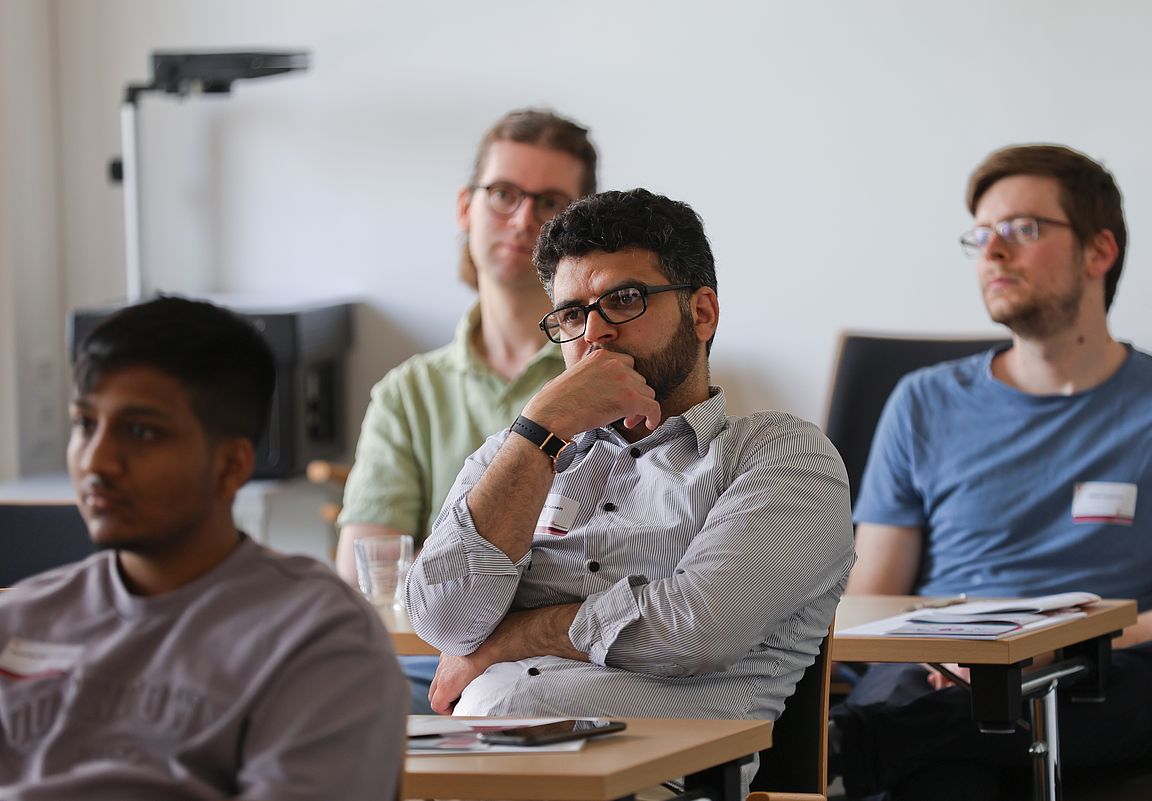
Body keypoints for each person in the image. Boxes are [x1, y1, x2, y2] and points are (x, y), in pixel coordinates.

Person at [405, 188, 854, 745]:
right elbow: (442, 619)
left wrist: (508, 640)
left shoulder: (782, 456)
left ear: (702, 313)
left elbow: (695, 631)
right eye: (572, 315)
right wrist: (539, 429)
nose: (594, 335)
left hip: (655, 777)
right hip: (472, 764)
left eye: (624, 300)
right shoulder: (521, 451)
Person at [837, 144, 1152, 800]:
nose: (993, 252)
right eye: (981, 234)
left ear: (1099, 251)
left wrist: (1048, 646)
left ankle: (862, 743)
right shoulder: (923, 401)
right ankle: (912, 732)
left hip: (1098, 669)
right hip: (940, 665)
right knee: (939, 764)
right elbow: (869, 601)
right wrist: (958, 653)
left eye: (1023, 229)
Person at [0, 297, 408, 801]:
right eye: (85, 424)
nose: (97, 460)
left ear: (231, 465)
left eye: (141, 432)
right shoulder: (17, 620)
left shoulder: (316, 637)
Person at [336, 109, 597, 714]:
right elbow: (366, 576)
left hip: (574, 671)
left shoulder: (625, 374)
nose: (524, 219)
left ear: (583, 226)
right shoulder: (408, 393)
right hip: (420, 676)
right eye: (503, 194)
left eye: (551, 202)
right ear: (465, 207)